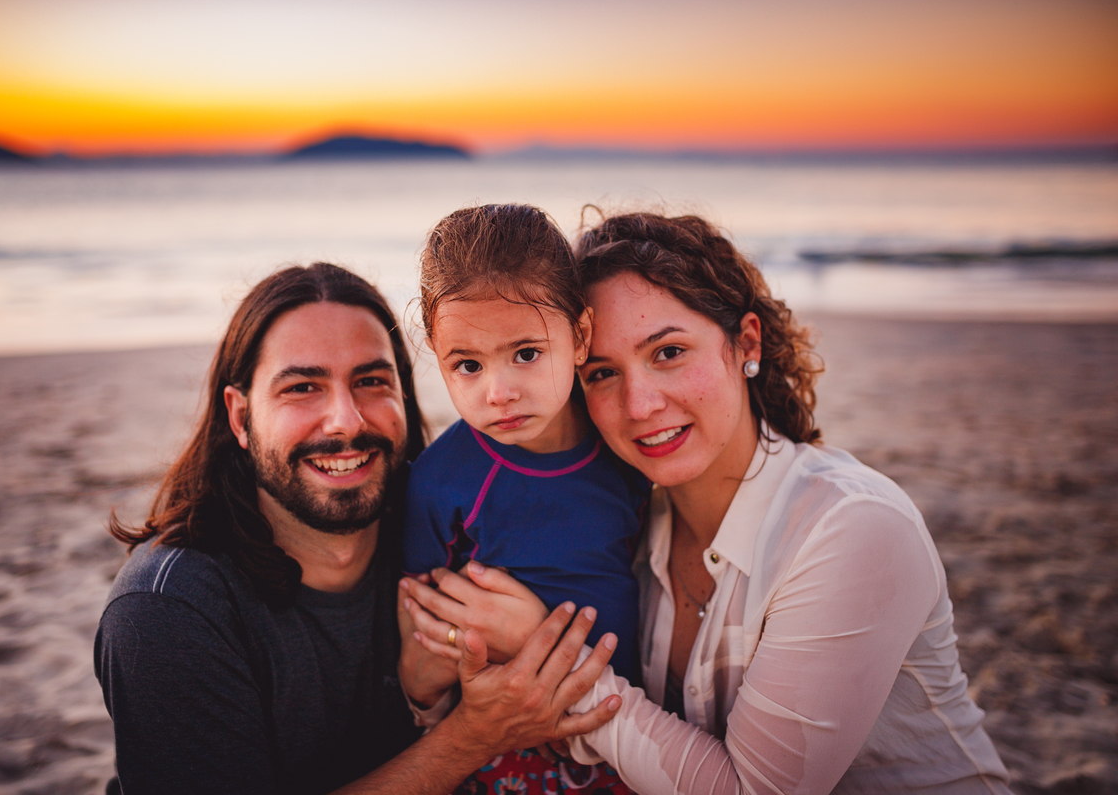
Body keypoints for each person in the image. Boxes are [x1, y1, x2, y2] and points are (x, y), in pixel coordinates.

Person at [403, 213, 1013, 793]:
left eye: (668, 352)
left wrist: (548, 650)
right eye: (602, 373)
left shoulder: (853, 529)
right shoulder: (636, 517)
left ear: (746, 342)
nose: (640, 405)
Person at [94, 262, 622, 795]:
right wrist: (471, 738)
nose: (346, 420)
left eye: (371, 381)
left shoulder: (447, 537)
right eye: (302, 387)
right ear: (239, 417)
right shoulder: (169, 608)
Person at [399, 205, 646, 794]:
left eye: (526, 354)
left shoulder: (628, 445)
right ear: (437, 356)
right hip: (508, 745)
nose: (499, 392)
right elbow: (418, 616)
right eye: (467, 365)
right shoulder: (442, 482)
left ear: (580, 335)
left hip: (633, 721)